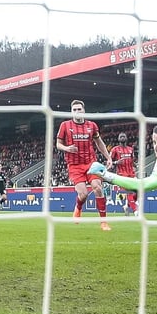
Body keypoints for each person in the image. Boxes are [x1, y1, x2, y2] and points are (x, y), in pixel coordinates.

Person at [55, 99, 114, 231]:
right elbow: (58, 144)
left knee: (98, 188)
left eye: (79, 109)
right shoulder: (65, 125)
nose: (77, 112)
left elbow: (99, 143)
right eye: (74, 110)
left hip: (90, 163)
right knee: (84, 194)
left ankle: (103, 222)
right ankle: (78, 207)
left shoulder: (92, 125)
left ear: (84, 110)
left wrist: (108, 157)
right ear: (71, 112)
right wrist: (66, 148)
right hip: (74, 165)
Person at [109, 132, 139, 216]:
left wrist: (135, 165)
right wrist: (116, 162)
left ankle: (127, 206)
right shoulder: (114, 149)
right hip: (122, 175)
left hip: (132, 174)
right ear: (118, 139)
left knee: (138, 191)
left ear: (126, 138)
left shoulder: (130, 149)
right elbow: (109, 162)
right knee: (130, 191)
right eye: (120, 136)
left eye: (124, 136)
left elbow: (132, 160)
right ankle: (135, 211)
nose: (122, 137)